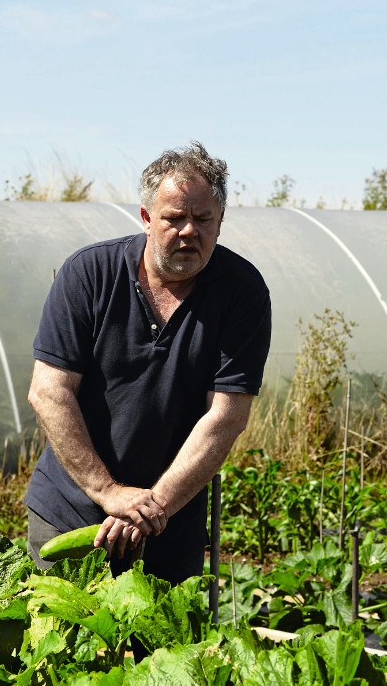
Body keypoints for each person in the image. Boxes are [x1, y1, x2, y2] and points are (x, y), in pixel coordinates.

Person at [24, 141, 272, 585]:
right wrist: (108, 492)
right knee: (63, 650)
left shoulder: (241, 292)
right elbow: (49, 392)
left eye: (203, 219)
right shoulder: (89, 274)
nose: (188, 232)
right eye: (174, 218)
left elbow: (226, 416)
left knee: (160, 652)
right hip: (69, 513)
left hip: (169, 522)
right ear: (146, 219)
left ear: (220, 222)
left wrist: (152, 506)